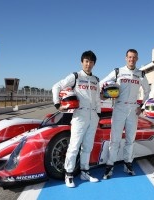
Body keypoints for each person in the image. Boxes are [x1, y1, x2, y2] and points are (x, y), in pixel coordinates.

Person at [52, 50, 101, 188]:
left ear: (94, 64)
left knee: (88, 146)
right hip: (79, 115)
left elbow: (97, 99)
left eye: (91, 62)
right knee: (74, 146)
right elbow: (56, 86)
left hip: (93, 116)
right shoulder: (75, 76)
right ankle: (69, 174)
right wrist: (57, 104)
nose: (88, 64)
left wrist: (98, 114)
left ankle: (85, 172)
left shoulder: (96, 80)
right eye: (86, 61)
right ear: (82, 62)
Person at [100, 49, 151, 179]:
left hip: (133, 109)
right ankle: (109, 166)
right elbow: (102, 83)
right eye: (129, 57)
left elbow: (148, 90)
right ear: (125, 58)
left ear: (137, 59)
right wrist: (105, 93)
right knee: (115, 138)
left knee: (130, 139)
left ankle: (128, 164)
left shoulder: (141, 74)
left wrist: (142, 106)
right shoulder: (118, 72)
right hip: (119, 107)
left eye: (134, 57)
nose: (131, 59)